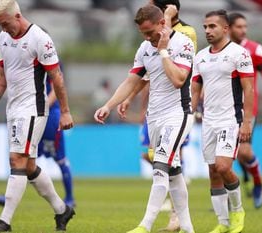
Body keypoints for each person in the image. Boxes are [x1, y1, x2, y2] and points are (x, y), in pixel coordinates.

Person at [95, 5, 195, 233]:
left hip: (178, 114)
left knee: (159, 166)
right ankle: (189, 229)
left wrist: (163, 51)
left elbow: (179, 79)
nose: (148, 38)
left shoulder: (183, 43)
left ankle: (145, 226)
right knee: (174, 173)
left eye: (150, 32)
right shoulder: (144, 48)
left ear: (162, 24)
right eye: (143, 34)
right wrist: (108, 105)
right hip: (154, 118)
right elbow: (132, 80)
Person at [0, 0, 75, 232]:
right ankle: (62, 210)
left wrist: (65, 111)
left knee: (17, 160)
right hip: (14, 108)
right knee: (30, 166)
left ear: (17, 16)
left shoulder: (40, 38)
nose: (3, 29)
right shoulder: (3, 38)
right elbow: (1, 76)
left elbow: (57, 77)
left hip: (33, 108)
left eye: (5, 23)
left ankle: (5, 221)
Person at [191, 9, 253, 233]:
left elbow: (249, 89)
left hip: (230, 120)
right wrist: (189, 114)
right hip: (208, 121)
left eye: (212, 26)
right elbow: (195, 87)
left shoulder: (240, 54)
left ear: (225, 28)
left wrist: (246, 122)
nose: (207, 30)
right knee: (213, 173)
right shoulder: (200, 56)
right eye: (205, 26)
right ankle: (223, 222)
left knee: (224, 166)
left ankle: (237, 211)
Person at [0, 70, 76, 208]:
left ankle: (70, 198)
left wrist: (43, 107)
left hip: (50, 118)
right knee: (21, 158)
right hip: (34, 117)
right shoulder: (27, 60)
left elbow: (56, 87)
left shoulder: (47, 57)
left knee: (60, 159)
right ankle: (8, 197)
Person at [228, 12, 262, 209]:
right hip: (223, 109)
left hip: (247, 109)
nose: (243, 30)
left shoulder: (255, 49)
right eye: (239, 26)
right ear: (228, 27)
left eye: (245, 26)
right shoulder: (219, 50)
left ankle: (258, 183)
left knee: (244, 151)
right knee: (227, 156)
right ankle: (229, 194)